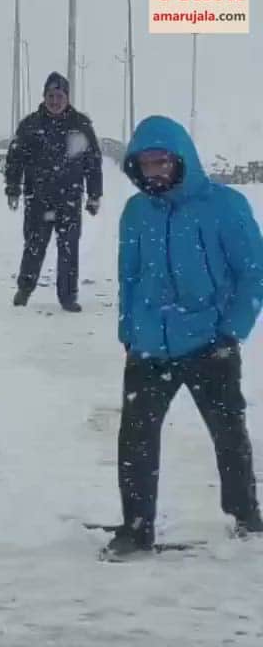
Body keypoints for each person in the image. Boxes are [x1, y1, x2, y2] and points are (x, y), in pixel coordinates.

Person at [106, 115, 263, 558]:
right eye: (145, 165)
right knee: (135, 436)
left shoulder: (224, 207)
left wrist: (230, 331)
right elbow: (129, 276)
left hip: (207, 341)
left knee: (227, 430)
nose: (153, 173)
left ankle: (244, 512)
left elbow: (254, 274)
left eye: (161, 163)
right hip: (149, 344)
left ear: (181, 161)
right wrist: (128, 330)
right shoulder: (136, 213)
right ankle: (136, 527)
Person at [5, 72, 103, 312]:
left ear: (67, 97)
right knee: (34, 245)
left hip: (69, 199)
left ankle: (68, 296)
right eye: (50, 95)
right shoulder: (30, 125)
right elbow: (15, 159)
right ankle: (25, 289)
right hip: (37, 199)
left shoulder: (80, 125)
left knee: (69, 248)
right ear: (44, 96)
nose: (55, 101)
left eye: (59, 96)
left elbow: (93, 162)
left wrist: (94, 194)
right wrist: (12, 187)